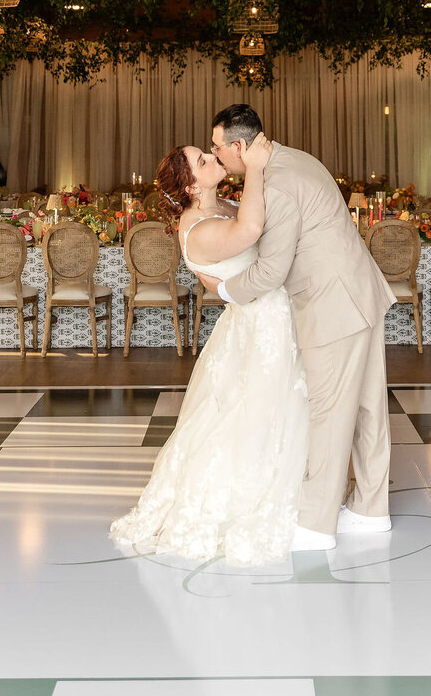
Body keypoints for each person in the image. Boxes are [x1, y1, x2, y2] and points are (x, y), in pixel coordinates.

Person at [109, 132, 309, 567]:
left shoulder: (222, 205)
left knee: (282, 409)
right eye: (202, 160)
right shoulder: (196, 229)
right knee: (254, 416)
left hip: (269, 316)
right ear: (190, 186)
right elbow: (252, 231)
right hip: (259, 326)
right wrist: (254, 166)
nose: (211, 156)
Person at [205, 103, 396, 551]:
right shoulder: (294, 158)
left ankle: (314, 526)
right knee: (369, 407)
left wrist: (225, 291)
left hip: (334, 306)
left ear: (239, 146)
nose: (217, 156)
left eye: (218, 147)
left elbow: (271, 271)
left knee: (329, 413)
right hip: (359, 293)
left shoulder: (279, 185)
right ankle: (372, 510)